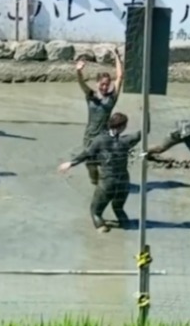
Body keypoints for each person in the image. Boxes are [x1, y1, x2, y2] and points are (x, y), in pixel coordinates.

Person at [58, 112, 141, 232]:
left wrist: (71, 163)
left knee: (95, 210)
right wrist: (145, 112)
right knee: (118, 207)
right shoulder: (126, 140)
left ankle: (101, 227)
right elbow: (145, 131)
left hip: (108, 181)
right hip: (123, 181)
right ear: (123, 127)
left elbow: (87, 153)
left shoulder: (100, 140)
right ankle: (126, 224)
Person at [75, 52, 123, 186]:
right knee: (90, 165)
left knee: (106, 164)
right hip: (89, 137)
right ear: (97, 84)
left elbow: (120, 77)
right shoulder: (90, 96)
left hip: (104, 138)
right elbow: (81, 82)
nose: (104, 87)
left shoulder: (111, 99)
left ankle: (107, 185)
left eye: (107, 84)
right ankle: (95, 184)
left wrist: (117, 57)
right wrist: (78, 71)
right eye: (102, 84)